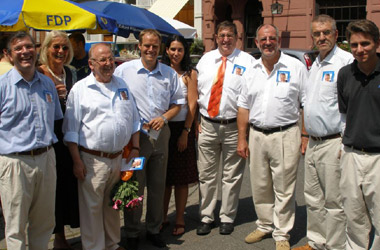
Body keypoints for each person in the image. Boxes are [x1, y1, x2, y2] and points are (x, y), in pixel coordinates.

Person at [63, 43, 140, 250]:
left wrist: (135, 148)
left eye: (110, 59)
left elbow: (134, 120)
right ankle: (94, 247)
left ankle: (112, 244)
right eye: (102, 60)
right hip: (92, 160)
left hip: (118, 158)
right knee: (92, 209)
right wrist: (77, 161)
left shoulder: (122, 84)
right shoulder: (80, 89)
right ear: (91, 64)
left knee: (112, 206)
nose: (108, 64)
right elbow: (71, 130)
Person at [237, 24, 307, 250]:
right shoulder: (251, 70)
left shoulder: (295, 67)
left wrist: (304, 135)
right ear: (256, 43)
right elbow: (243, 108)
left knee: (284, 187)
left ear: (278, 40)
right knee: (260, 184)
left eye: (272, 38)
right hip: (257, 135)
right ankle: (265, 224)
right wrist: (242, 138)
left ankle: (282, 234)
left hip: (286, 134)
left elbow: (305, 104)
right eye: (263, 39)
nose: (268, 42)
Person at [114, 29, 184, 250]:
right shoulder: (124, 71)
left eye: (155, 46)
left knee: (157, 185)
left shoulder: (169, 74)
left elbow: (178, 104)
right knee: (135, 185)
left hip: (161, 135)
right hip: (136, 138)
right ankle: (132, 232)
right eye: (147, 45)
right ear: (139, 46)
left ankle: (153, 229)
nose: (151, 49)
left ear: (160, 47)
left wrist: (164, 118)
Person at [293, 15, 353, 250]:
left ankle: (335, 245)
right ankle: (317, 241)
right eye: (317, 34)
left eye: (326, 32)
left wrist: (344, 141)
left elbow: (352, 105)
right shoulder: (315, 63)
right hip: (314, 143)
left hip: (333, 142)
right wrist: (305, 135)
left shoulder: (345, 61)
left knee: (334, 200)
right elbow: (308, 104)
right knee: (313, 197)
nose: (321, 37)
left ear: (336, 35)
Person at [0, 31, 63, 250]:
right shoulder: (2, 86)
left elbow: (56, 119)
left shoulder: (47, 85)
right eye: (18, 49)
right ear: (8, 55)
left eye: (28, 47)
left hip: (46, 158)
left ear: (36, 50)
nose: (25, 52)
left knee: (44, 222)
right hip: (15, 163)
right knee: (15, 226)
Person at [196, 20, 255, 236]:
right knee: (207, 174)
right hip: (207, 125)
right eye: (222, 35)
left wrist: (244, 134)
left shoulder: (248, 62)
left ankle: (227, 217)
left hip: (233, 127)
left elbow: (250, 99)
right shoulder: (205, 60)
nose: (225, 39)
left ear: (237, 37)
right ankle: (206, 216)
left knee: (232, 175)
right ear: (216, 38)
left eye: (230, 35)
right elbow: (196, 93)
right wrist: (195, 122)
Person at [337, 19, 380, 250]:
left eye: (365, 43)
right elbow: (344, 115)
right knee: (354, 216)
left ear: (377, 43)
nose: (360, 50)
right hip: (352, 155)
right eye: (354, 45)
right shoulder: (345, 74)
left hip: (378, 158)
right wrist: (343, 148)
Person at [38, 30, 80, 250]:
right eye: (56, 47)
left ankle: (74, 229)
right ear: (46, 49)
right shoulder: (39, 74)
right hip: (51, 138)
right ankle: (59, 238)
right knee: (55, 190)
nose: (61, 51)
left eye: (65, 47)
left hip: (71, 137)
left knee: (70, 187)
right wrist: (51, 94)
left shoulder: (71, 72)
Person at [161, 35, 198, 236]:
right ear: (166, 50)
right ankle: (162, 216)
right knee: (164, 177)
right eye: (172, 49)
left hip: (182, 127)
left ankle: (180, 217)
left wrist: (186, 131)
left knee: (181, 179)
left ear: (185, 52)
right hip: (163, 127)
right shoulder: (161, 71)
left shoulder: (190, 73)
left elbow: (192, 104)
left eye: (180, 50)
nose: (176, 53)